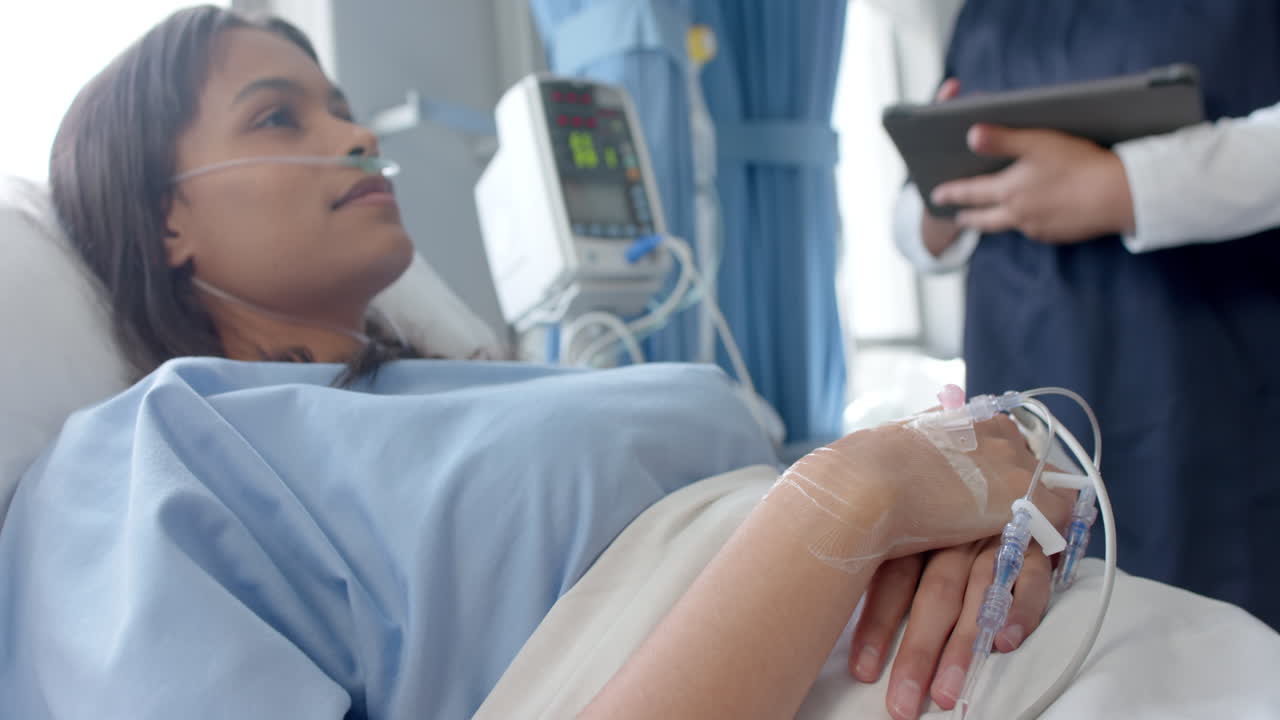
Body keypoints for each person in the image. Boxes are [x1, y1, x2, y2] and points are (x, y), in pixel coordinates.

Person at [0, 6, 1065, 719]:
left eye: (343, 107)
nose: (355, 135)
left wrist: (987, 516)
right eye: (279, 116)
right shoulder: (136, 465)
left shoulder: (465, 390)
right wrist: (857, 496)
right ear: (165, 217)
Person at [893, 0, 1280, 631]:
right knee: (1038, 630)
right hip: (1021, 352)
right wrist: (944, 187)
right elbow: (912, 224)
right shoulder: (983, 14)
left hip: (1208, 365)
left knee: (1213, 628)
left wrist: (1125, 187)